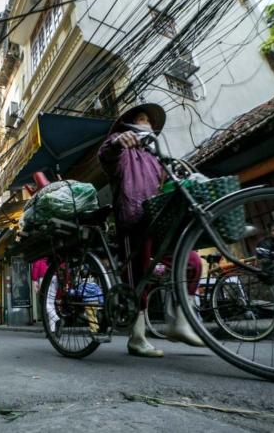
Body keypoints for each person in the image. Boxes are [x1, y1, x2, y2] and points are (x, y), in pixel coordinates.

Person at [99, 103, 205, 358]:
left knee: (191, 262)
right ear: (129, 124)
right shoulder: (119, 142)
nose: (147, 123)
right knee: (138, 277)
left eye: (148, 120)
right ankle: (137, 338)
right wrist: (118, 143)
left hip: (158, 219)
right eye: (141, 119)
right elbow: (106, 155)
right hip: (133, 217)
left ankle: (181, 322)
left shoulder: (154, 154)